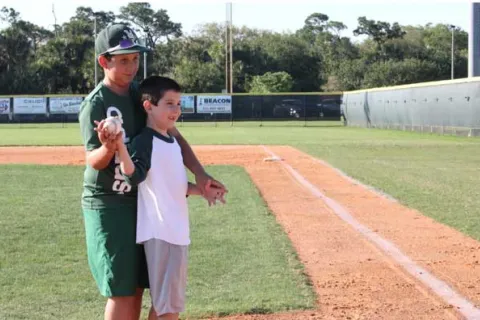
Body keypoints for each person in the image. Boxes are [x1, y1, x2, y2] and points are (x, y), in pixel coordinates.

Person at [78, 23, 226, 320]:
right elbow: (93, 160)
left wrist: (199, 172)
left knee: (139, 287)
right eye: (123, 60)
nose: (132, 66)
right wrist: (110, 146)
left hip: (142, 202)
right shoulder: (96, 104)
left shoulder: (139, 94)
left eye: (134, 59)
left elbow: (172, 134)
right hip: (109, 202)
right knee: (121, 291)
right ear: (104, 61)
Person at [116, 75, 221, 320]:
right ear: (148, 106)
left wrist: (203, 190)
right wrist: (121, 148)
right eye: (169, 103)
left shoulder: (171, 141)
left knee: (165, 306)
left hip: (175, 232)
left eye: (178, 104)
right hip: (163, 232)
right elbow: (134, 176)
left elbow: (176, 186)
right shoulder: (145, 141)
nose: (176, 110)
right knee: (169, 309)